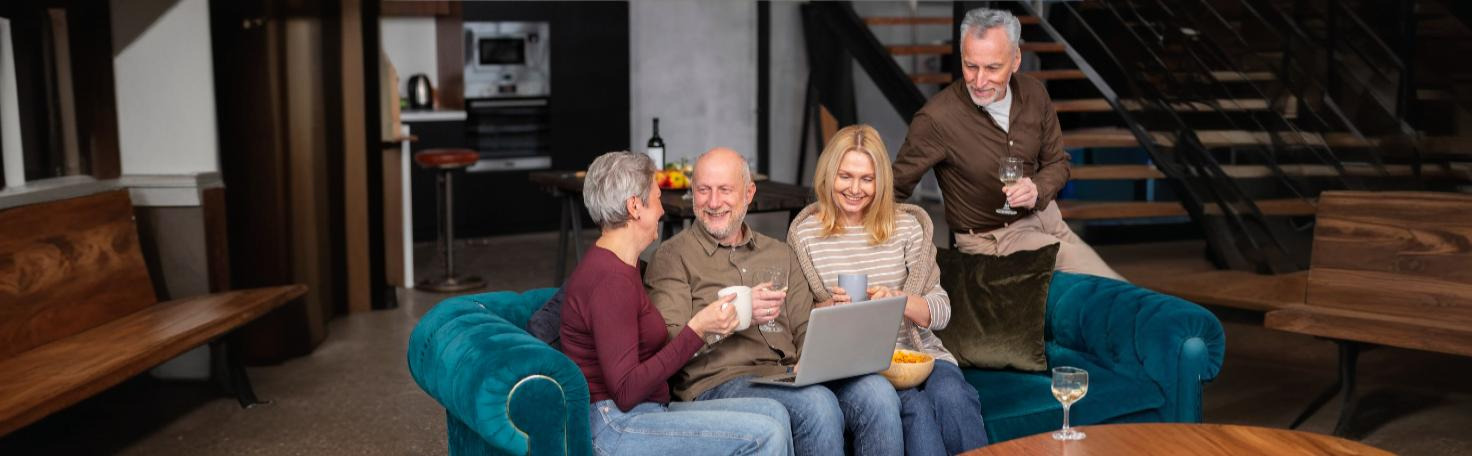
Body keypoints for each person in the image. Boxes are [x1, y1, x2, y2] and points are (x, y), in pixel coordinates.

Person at [647, 147, 903, 456]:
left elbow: (805, 326)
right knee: (817, 405)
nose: (713, 203)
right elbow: (667, 344)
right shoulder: (673, 256)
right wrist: (738, 315)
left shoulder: (779, 253)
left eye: (725, 190)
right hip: (718, 381)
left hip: (788, 375)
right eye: (703, 190)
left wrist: (826, 346)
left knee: (879, 393)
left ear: (748, 193)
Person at [560, 151, 793, 456]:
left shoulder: (622, 264)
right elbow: (626, 391)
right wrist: (698, 329)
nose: (662, 210)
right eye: (657, 197)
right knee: (765, 433)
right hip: (614, 425)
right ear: (635, 207)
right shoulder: (610, 280)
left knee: (774, 413)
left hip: (644, 410)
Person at [788, 125, 988, 455]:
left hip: (922, 355)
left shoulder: (906, 226)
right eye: (845, 176)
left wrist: (900, 301)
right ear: (828, 175)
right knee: (914, 411)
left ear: (881, 180)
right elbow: (796, 318)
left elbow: (941, 309)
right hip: (860, 364)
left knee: (953, 396)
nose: (855, 189)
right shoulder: (805, 235)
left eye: (867, 178)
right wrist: (826, 307)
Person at [892, 7, 1125, 281]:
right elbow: (895, 188)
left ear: (1015, 60)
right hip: (993, 239)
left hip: (1049, 219)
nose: (979, 81)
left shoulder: (1035, 94)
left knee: (1107, 286)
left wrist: (1036, 189)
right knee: (1107, 284)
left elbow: (1057, 163)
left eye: (992, 67)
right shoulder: (936, 119)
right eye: (970, 65)